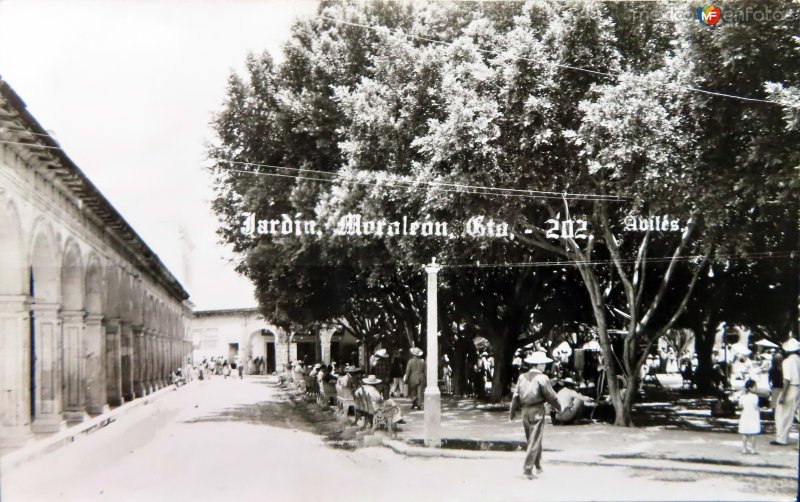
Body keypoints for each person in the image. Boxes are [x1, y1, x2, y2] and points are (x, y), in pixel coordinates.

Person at [509, 352, 562, 480]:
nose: (545, 366)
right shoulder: (542, 378)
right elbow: (551, 396)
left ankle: (538, 467)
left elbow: (516, 396)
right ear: (538, 364)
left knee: (532, 439)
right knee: (535, 440)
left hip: (525, 411)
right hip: (537, 410)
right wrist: (560, 407)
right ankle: (527, 470)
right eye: (543, 364)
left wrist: (512, 412)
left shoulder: (522, 377)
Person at [772, 338, 800, 446]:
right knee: (796, 413)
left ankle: (781, 438)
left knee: (782, 413)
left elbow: (787, 379)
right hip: (798, 388)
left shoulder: (787, 361)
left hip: (791, 388)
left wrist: (783, 394)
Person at [738, 379, 761, 454]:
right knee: (753, 433)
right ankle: (753, 449)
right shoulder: (755, 397)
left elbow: (740, 406)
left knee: (744, 433)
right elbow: (755, 406)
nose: (756, 388)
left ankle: (744, 449)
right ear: (750, 388)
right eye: (755, 386)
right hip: (753, 416)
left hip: (745, 415)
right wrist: (760, 409)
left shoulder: (742, 396)